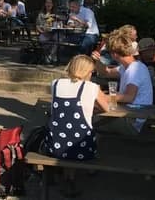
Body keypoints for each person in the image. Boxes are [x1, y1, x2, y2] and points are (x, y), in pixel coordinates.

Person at [45, 55, 108, 197]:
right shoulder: (92, 87)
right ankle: (75, 177)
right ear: (86, 72)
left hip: (55, 145)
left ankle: (68, 178)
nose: (92, 75)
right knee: (90, 135)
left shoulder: (55, 83)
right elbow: (107, 108)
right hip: (83, 148)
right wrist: (92, 108)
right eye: (91, 72)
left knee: (69, 134)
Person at [92, 34, 154, 135]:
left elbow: (129, 97)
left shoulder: (135, 69)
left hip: (132, 121)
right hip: (128, 114)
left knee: (90, 119)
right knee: (94, 111)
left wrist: (103, 97)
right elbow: (106, 72)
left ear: (114, 54)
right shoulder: (127, 66)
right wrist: (97, 60)